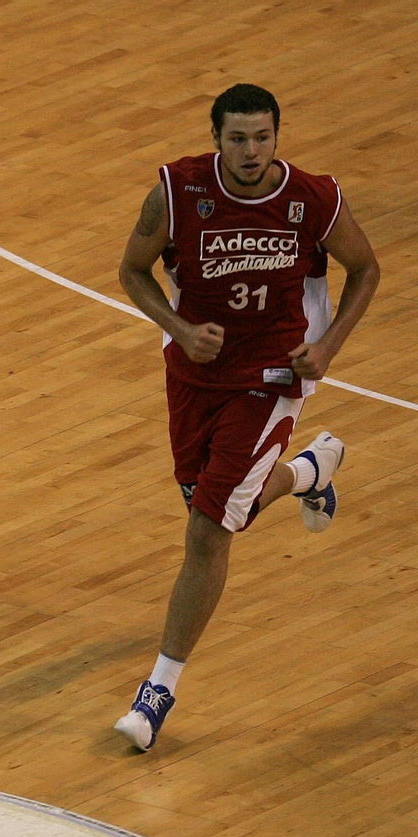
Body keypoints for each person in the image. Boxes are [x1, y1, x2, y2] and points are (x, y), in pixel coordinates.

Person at [114, 84, 379, 750]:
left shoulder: (310, 199)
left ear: (277, 138)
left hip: (272, 376)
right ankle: (310, 471)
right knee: (212, 500)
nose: (251, 150)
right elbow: (132, 270)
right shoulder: (177, 193)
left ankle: (157, 692)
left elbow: (366, 268)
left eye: (262, 137)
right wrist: (177, 325)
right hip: (194, 375)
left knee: (209, 529)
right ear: (217, 139)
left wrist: (327, 346)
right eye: (238, 138)